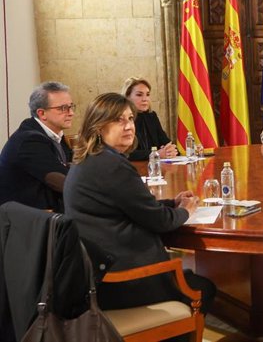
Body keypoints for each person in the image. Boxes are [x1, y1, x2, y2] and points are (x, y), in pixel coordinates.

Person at [63, 92, 215, 317]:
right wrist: (185, 211)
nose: (128, 126)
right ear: (97, 126)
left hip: (99, 273)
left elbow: (132, 206)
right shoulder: (111, 166)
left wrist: (173, 202)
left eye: (130, 119)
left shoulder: (92, 159)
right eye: (118, 120)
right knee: (204, 289)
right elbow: (160, 221)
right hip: (124, 280)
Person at [0, 81, 75, 212]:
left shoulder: (56, 135)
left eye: (71, 106)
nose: (71, 113)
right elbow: (64, 182)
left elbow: (73, 168)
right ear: (42, 113)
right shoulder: (29, 141)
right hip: (25, 224)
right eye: (63, 108)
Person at [121, 77, 178, 161]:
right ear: (127, 97)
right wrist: (156, 154)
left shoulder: (151, 116)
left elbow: (165, 141)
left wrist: (170, 150)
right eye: (139, 95)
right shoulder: (121, 119)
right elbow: (125, 153)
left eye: (147, 94)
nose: (145, 99)